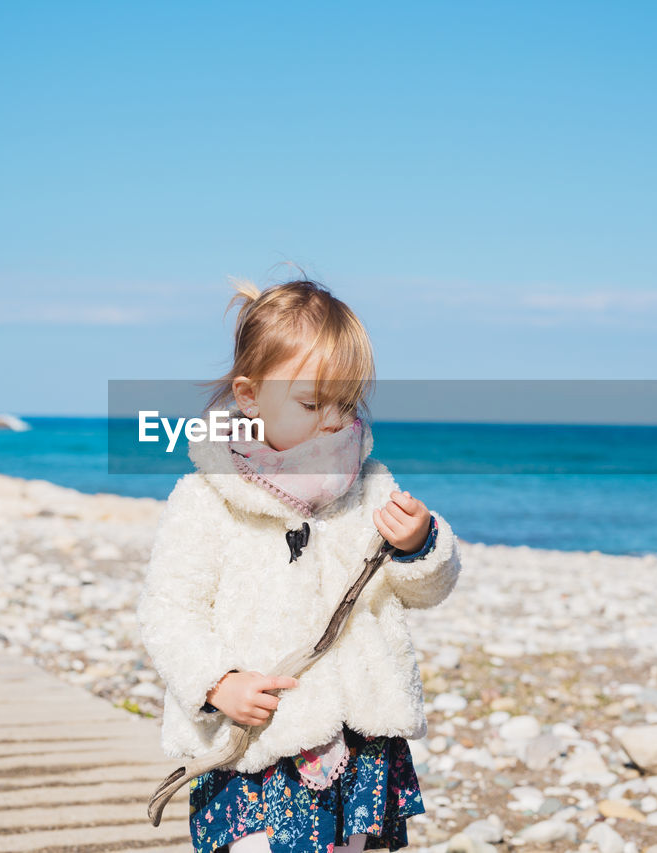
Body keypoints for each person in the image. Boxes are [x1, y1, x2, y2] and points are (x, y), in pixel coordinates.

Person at [137, 277, 462, 853]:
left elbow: (423, 590)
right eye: (311, 403)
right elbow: (168, 613)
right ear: (250, 396)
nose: (331, 420)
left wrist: (418, 545)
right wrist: (217, 682)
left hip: (355, 733)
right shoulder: (207, 496)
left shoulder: (367, 487)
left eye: (346, 402)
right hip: (254, 737)